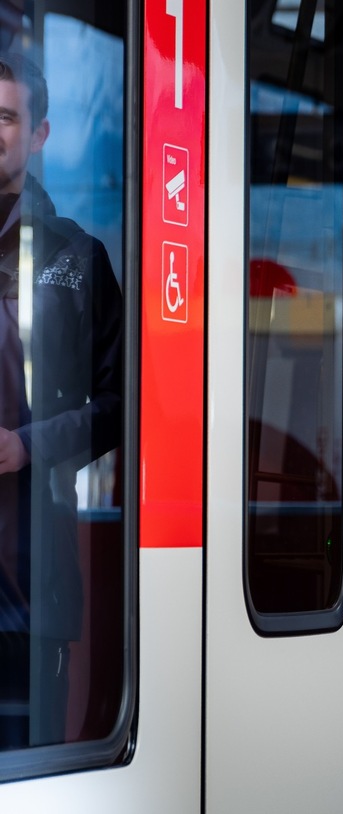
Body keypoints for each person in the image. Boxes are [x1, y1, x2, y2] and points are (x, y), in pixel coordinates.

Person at [0, 52, 122, 749]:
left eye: (7, 116)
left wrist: (27, 446)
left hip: (32, 584)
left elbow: (118, 407)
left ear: (39, 134)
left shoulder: (78, 259)